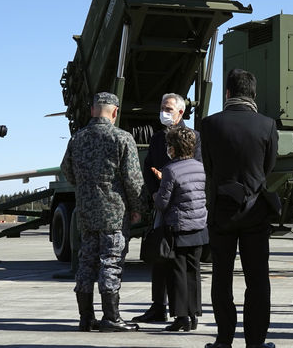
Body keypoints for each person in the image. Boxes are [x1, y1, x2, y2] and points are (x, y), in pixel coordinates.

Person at [200, 68, 279, 348]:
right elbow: (268, 166)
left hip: (222, 211)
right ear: (253, 94)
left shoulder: (209, 125)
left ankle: (223, 340)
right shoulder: (267, 125)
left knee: (221, 278)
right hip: (255, 211)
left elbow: (208, 166)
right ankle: (256, 342)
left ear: (228, 93)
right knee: (257, 279)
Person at [61, 92, 145, 333]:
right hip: (113, 212)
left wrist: (86, 188)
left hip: (86, 211)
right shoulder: (121, 137)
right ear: (115, 112)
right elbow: (132, 179)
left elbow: (67, 169)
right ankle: (111, 317)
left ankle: (86, 317)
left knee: (86, 263)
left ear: (92, 111)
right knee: (111, 262)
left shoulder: (77, 138)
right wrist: (138, 208)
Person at [133, 93, 202, 324]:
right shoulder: (156, 138)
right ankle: (158, 306)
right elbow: (148, 168)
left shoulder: (193, 137)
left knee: (180, 264)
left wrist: (170, 184)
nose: (164, 112)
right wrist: (155, 192)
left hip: (182, 207)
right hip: (162, 204)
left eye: (169, 108)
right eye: (162, 107)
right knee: (159, 256)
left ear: (180, 112)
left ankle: (182, 312)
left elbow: (197, 170)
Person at [153, 126, 208, 332]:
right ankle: (194, 315)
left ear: (173, 148)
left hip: (178, 228)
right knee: (193, 272)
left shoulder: (170, 169)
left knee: (177, 272)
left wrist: (155, 195)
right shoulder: (201, 167)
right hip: (199, 227)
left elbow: (162, 202)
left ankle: (181, 317)